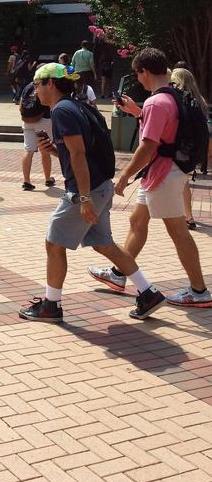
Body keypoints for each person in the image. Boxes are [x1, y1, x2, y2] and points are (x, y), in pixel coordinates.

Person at [19, 63, 165, 323]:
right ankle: (148, 293)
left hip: (86, 191)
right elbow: (77, 150)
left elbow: (78, 154)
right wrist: (54, 150)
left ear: (51, 84)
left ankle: (51, 306)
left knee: (53, 244)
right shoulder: (76, 105)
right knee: (103, 244)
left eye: (37, 84)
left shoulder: (62, 110)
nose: (35, 91)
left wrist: (83, 197)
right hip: (101, 185)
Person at [88, 48, 211, 307]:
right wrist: (137, 112)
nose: (138, 79)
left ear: (144, 71)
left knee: (178, 232)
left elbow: (148, 146)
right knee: (137, 221)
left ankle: (199, 291)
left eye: (137, 74)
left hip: (163, 173)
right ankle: (119, 273)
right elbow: (166, 128)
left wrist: (123, 176)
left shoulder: (156, 102)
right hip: (167, 171)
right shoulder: (172, 95)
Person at [170, 67, 208, 231]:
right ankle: (187, 216)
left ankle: (186, 216)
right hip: (193, 150)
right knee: (183, 182)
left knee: (181, 183)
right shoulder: (200, 100)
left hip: (180, 149)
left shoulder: (179, 100)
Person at [18, 71, 55, 191]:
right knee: (46, 149)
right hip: (43, 120)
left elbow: (20, 104)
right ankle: (48, 179)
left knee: (29, 151)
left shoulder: (28, 86)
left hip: (27, 121)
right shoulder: (45, 85)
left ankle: (26, 181)